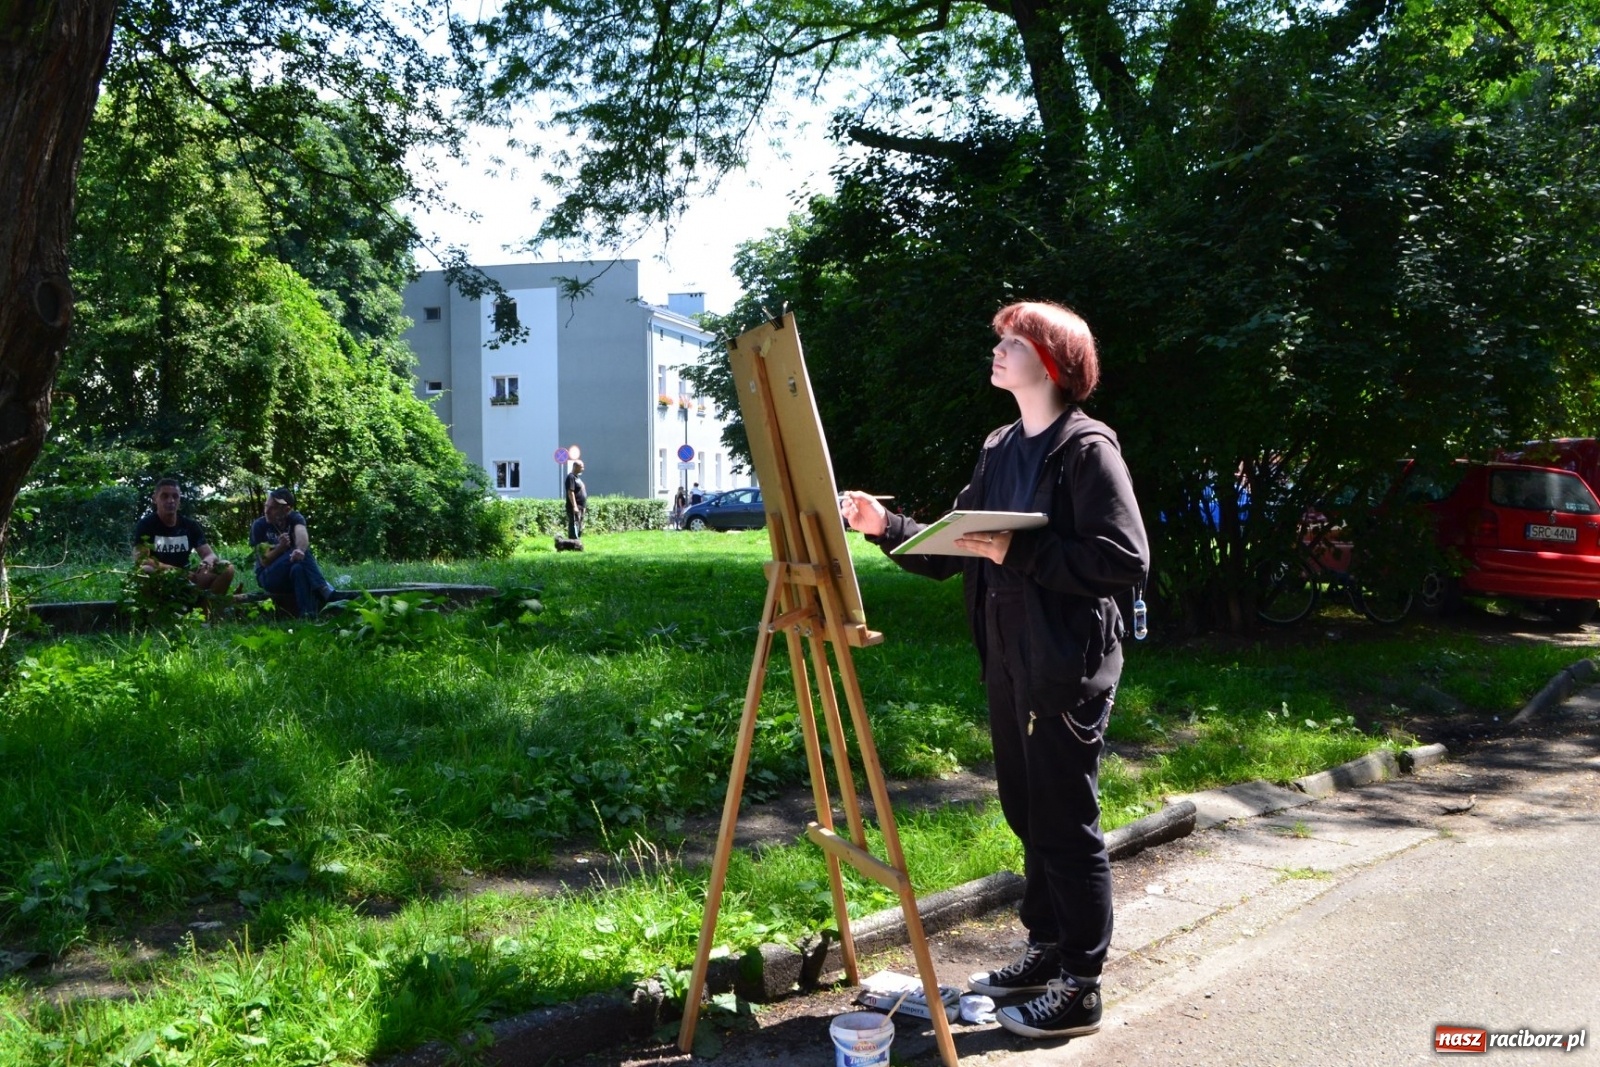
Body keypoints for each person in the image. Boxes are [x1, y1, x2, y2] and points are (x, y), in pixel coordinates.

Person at [839, 300, 1148, 1041]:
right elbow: (957, 544)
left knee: (1065, 820)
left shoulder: (1086, 448)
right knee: (1026, 808)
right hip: (1009, 655)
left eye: (1012, 342)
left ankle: (1081, 983)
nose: (998, 350)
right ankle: (1046, 947)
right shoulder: (1000, 446)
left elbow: (1123, 558)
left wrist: (1021, 553)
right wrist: (888, 529)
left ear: (1050, 362)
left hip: (1066, 664)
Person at [133, 478, 236, 602]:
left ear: (179, 500)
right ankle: (155, 614)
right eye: (164, 496)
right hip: (161, 578)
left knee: (226, 567)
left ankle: (208, 610)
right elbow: (141, 559)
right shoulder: (146, 525)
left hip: (189, 579)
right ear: (155, 499)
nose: (170, 500)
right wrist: (175, 571)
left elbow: (209, 554)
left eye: (175, 496)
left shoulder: (190, 526)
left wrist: (207, 563)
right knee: (144, 571)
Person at [249, 487, 337, 618]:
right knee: (300, 558)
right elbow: (264, 561)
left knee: (298, 567)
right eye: (266, 506)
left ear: (286, 510)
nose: (267, 511)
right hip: (268, 577)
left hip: (290, 573)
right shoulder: (259, 525)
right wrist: (281, 547)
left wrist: (300, 550)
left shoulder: (295, 518)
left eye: (272, 508)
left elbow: (302, 534)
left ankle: (308, 615)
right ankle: (323, 588)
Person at [565, 460, 588, 540]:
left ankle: (577, 541)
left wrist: (584, 506)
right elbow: (570, 492)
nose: (583, 469)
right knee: (574, 525)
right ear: (575, 467)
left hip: (581, 506)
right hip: (575, 506)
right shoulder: (570, 477)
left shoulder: (577, 478)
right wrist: (574, 506)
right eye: (581, 467)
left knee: (579, 525)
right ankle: (572, 542)